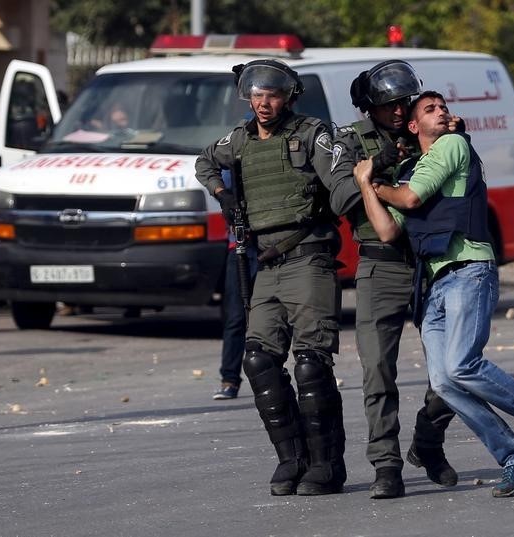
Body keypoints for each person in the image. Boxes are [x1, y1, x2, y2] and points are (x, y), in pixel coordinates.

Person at [356, 91, 514, 497]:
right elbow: (387, 230)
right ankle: (513, 458)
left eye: (443, 107)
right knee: (446, 384)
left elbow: (410, 198)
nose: (442, 113)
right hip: (435, 284)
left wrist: (374, 184)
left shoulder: (451, 145)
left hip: (469, 269)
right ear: (413, 126)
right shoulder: (409, 168)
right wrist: (367, 185)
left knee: (460, 366)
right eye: (430, 110)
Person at [195, 59, 346, 496]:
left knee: (311, 365)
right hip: (266, 264)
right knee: (259, 360)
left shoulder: (311, 133)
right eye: (256, 96)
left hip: (308, 258)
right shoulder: (239, 139)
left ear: (289, 97)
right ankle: (292, 460)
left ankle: (326, 466)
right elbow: (205, 162)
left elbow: (339, 182)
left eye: (272, 95)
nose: (263, 104)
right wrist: (223, 196)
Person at [329, 60, 458, 499]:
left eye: (404, 103)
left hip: (428, 261)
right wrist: (381, 164)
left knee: (453, 368)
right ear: (370, 108)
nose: (399, 112)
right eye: (388, 106)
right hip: (380, 263)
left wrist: (454, 134)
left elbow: (460, 171)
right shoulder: (350, 140)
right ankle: (386, 463)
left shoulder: (426, 134)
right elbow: (342, 196)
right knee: (377, 371)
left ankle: (428, 442)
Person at [213, 170, 257, 400]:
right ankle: (229, 379)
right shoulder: (233, 158)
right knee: (235, 319)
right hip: (239, 250)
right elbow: (221, 193)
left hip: (270, 247)